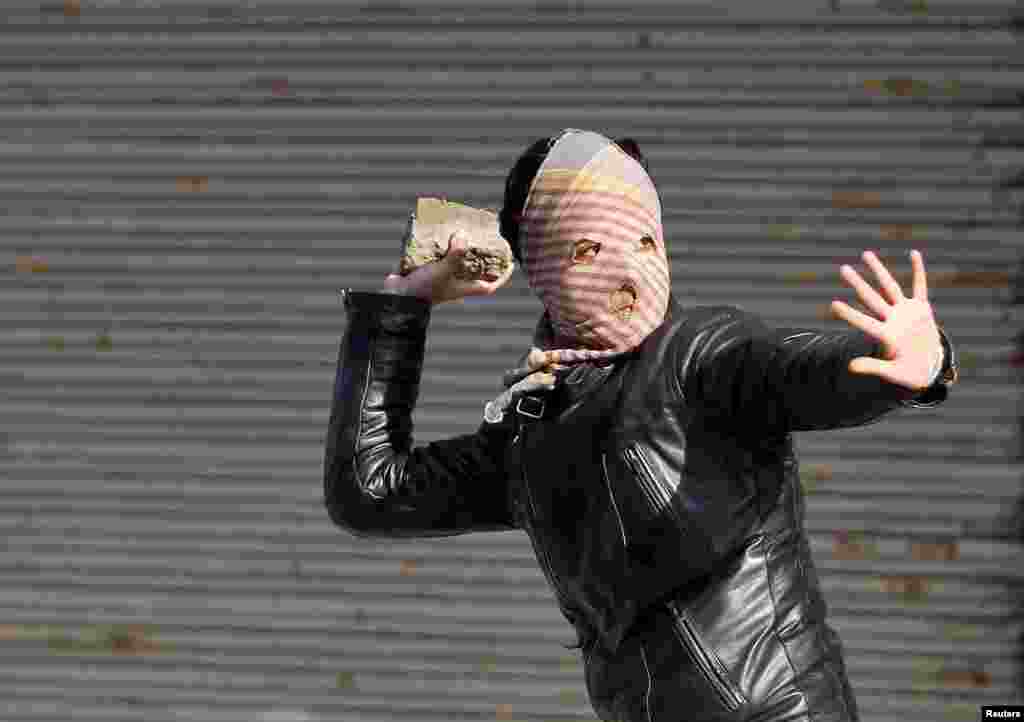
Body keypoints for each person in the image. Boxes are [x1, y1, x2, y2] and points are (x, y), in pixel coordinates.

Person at [324, 129, 959, 721]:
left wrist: (901, 366)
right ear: (541, 269)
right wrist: (399, 312)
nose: (628, 271)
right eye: (588, 249)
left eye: (645, 241)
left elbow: (798, 369)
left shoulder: (703, 355)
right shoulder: (535, 426)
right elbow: (370, 491)